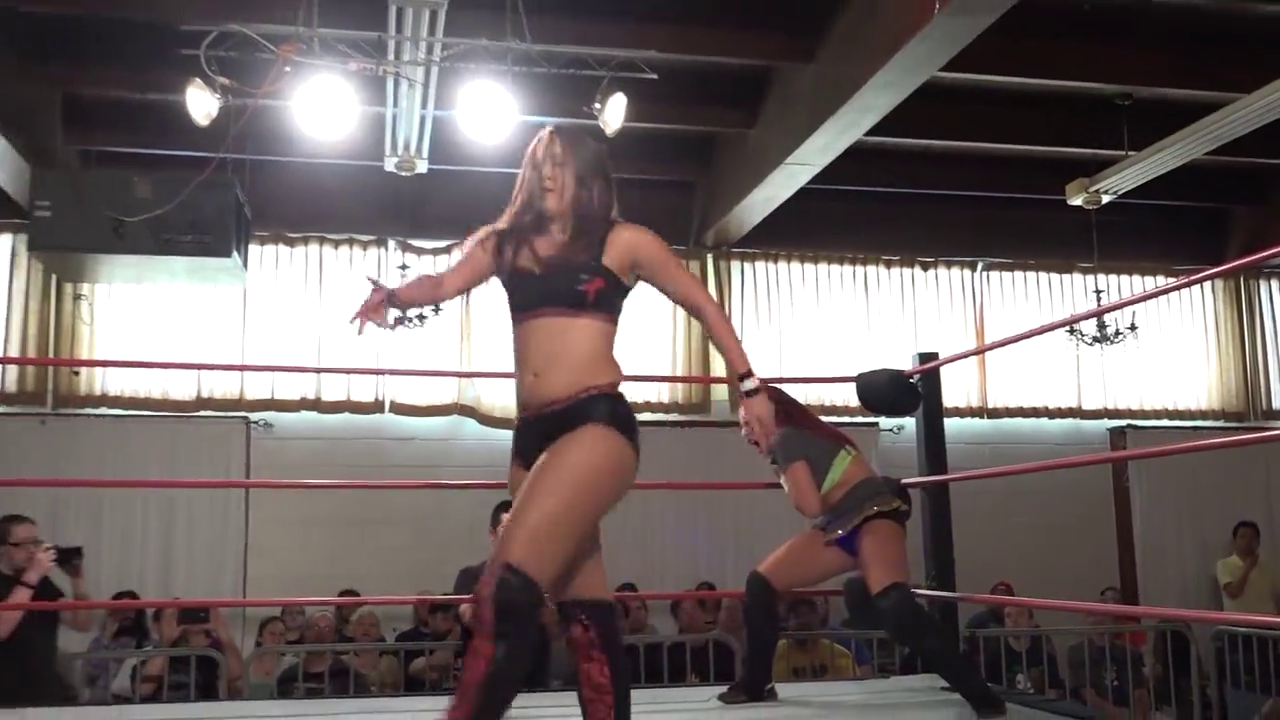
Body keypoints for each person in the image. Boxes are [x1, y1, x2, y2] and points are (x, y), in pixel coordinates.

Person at [351, 124, 775, 720]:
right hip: (531, 437)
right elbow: (444, 281)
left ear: (587, 171)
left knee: (507, 596)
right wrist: (394, 296)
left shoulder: (623, 241)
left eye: (561, 161)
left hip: (594, 423)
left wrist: (749, 385)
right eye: (540, 161)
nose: (548, 172)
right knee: (584, 610)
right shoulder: (506, 243)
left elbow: (702, 303)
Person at [716, 386, 1005, 718]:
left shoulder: (787, 440)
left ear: (769, 415)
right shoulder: (802, 435)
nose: (744, 433)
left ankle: (980, 693)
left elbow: (809, 506)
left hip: (871, 515)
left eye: (748, 423)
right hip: (840, 525)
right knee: (761, 583)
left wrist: (784, 470)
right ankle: (757, 682)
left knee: (897, 608)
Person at [0, 514, 94, 708]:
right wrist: (32, 575)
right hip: (6, 695)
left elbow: (82, 624)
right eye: (23, 544)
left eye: (35, 542)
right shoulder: (31, 579)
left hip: (45, 692)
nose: (32, 550)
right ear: (2, 547)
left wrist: (77, 580)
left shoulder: (41, 583)